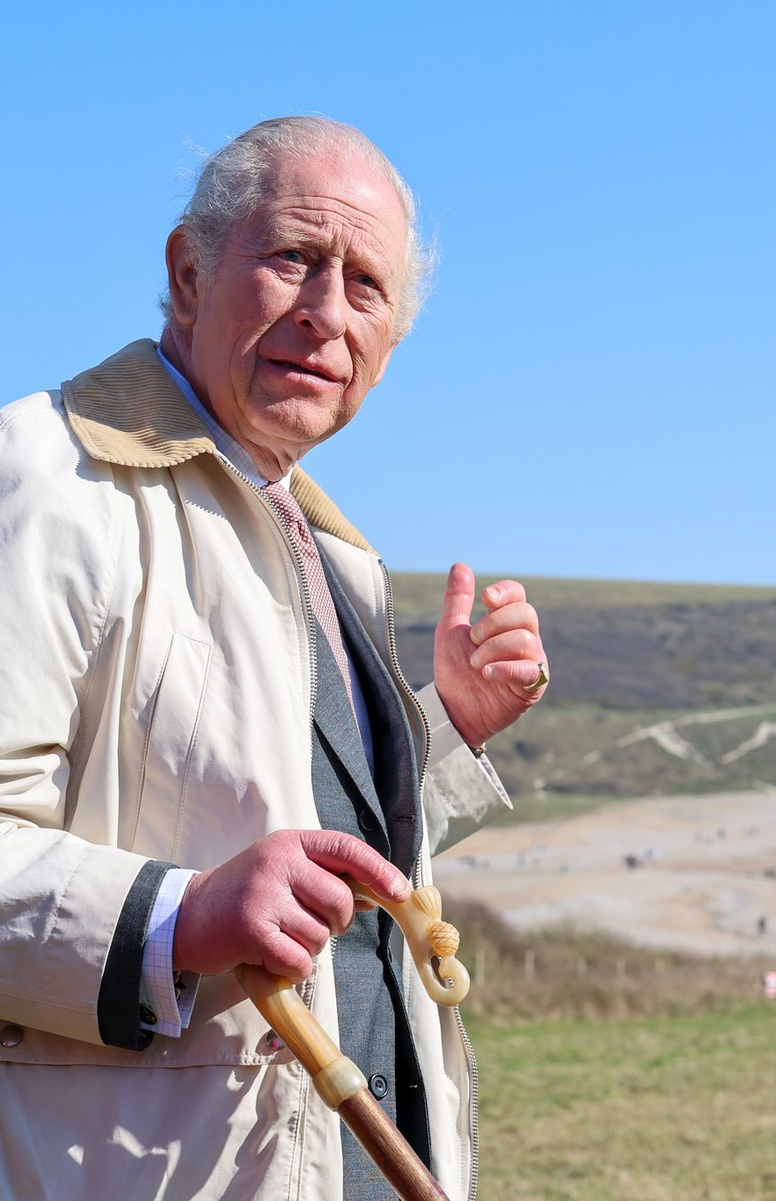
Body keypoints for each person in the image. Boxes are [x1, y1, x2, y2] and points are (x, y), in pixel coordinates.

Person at [0, 116, 548, 1200]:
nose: (325, 312)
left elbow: (262, 817)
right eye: (294, 256)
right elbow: (210, 880)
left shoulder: (332, 550)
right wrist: (178, 915)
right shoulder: (40, 480)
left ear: (391, 346)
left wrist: (440, 728)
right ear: (188, 270)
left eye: (366, 286)